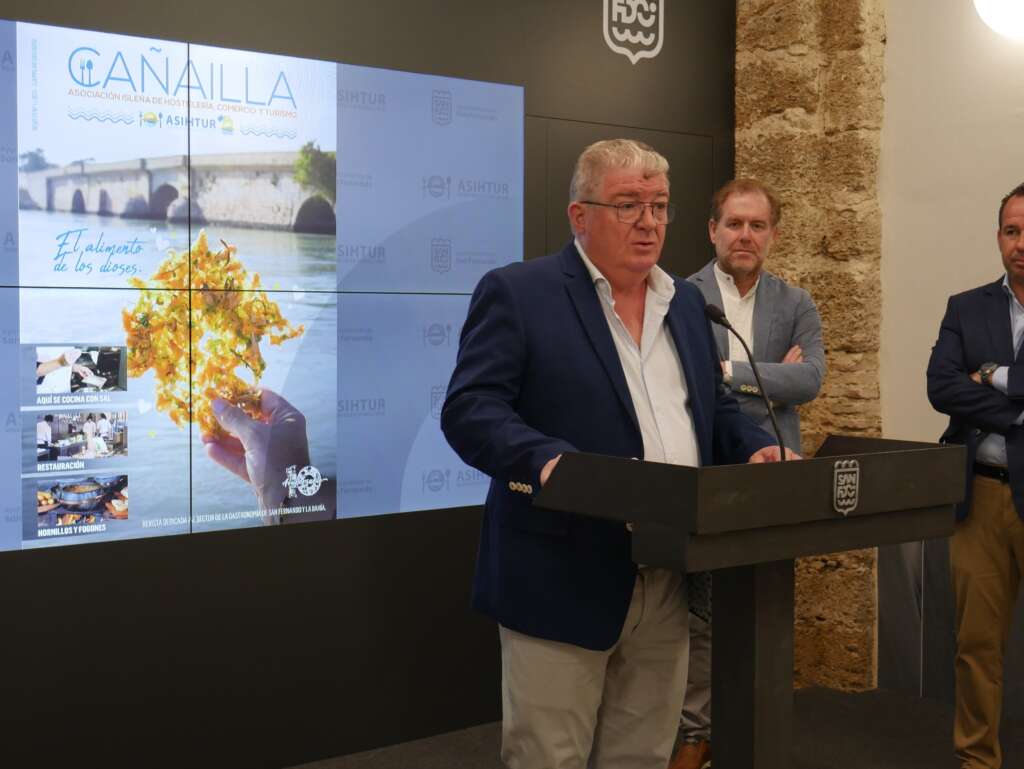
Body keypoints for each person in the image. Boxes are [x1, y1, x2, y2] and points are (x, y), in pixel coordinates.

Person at [442, 139, 788, 769]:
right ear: (580, 216)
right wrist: (547, 460)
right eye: (628, 205)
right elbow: (470, 409)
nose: (649, 223)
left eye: (660, 206)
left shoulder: (686, 303)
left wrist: (757, 447)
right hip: (560, 573)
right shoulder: (520, 293)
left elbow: (712, 408)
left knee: (643, 757)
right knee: (549, 758)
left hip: (668, 572)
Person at [672, 179, 826, 769]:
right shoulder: (681, 297)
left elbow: (809, 380)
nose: (745, 235)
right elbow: (686, 387)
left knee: (765, 608)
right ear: (712, 230)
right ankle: (695, 734)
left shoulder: (797, 302)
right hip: (707, 475)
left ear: (773, 235)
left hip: (773, 480)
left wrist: (727, 371)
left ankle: (753, 733)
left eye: (757, 225)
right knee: (702, 611)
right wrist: (767, 381)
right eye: (734, 224)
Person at [927, 181, 1024, 769]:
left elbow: (965, 387)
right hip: (982, 494)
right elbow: (941, 387)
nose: (1021, 243)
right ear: (998, 237)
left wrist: (987, 377)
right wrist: (1017, 411)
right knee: (977, 644)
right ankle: (977, 760)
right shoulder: (966, 307)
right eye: (1012, 231)